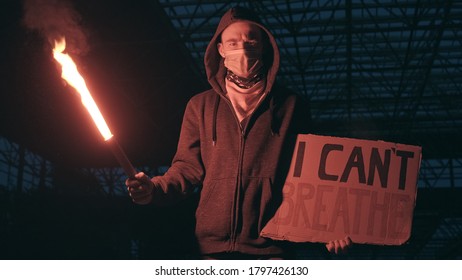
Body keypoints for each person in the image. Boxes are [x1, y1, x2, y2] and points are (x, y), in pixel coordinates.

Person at [126, 6, 352, 259]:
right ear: (220, 50)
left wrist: (329, 226)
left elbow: (310, 175)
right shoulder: (200, 106)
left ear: (265, 45)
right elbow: (187, 169)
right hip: (212, 249)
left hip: (273, 249)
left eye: (250, 40)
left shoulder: (292, 106)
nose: (242, 48)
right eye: (232, 42)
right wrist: (153, 189)